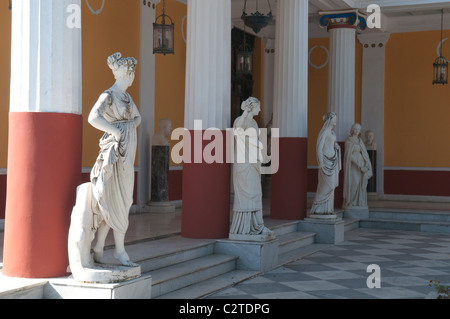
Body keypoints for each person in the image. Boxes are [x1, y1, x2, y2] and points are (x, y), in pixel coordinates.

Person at [88, 52, 141, 267]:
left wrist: (129, 128)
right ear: (123, 74)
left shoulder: (127, 97)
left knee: (123, 200)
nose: (133, 78)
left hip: (128, 151)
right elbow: (93, 117)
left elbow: (138, 117)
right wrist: (117, 132)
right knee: (113, 199)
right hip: (116, 151)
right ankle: (119, 250)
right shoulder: (108, 95)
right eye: (131, 74)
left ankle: (100, 245)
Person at [230, 97, 273, 237]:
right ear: (251, 107)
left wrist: (264, 155)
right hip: (243, 163)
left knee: (256, 194)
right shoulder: (240, 120)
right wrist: (244, 114)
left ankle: (257, 226)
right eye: (258, 107)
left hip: (253, 162)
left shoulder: (254, 122)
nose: (260, 109)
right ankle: (243, 228)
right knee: (245, 195)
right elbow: (237, 131)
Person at [310, 112, 341, 215]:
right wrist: (321, 163)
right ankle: (317, 206)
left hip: (333, 161)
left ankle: (327, 209)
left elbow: (332, 144)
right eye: (334, 119)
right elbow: (319, 148)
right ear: (329, 120)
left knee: (332, 186)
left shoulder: (332, 133)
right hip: (325, 162)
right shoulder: (324, 132)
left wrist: (336, 147)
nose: (335, 120)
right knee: (327, 186)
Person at [343, 123, 372, 208]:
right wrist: (358, 165)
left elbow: (364, 153)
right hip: (353, 165)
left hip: (361, 162)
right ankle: (350, 201)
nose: (357, 131)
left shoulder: (360, 140)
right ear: (352, 129)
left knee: (360, 183)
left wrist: (366, 164)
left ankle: (359, 202)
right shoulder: (349, 140)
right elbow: (348, 155)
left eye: (358, 130)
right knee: (354, 182)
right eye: (355, 129)